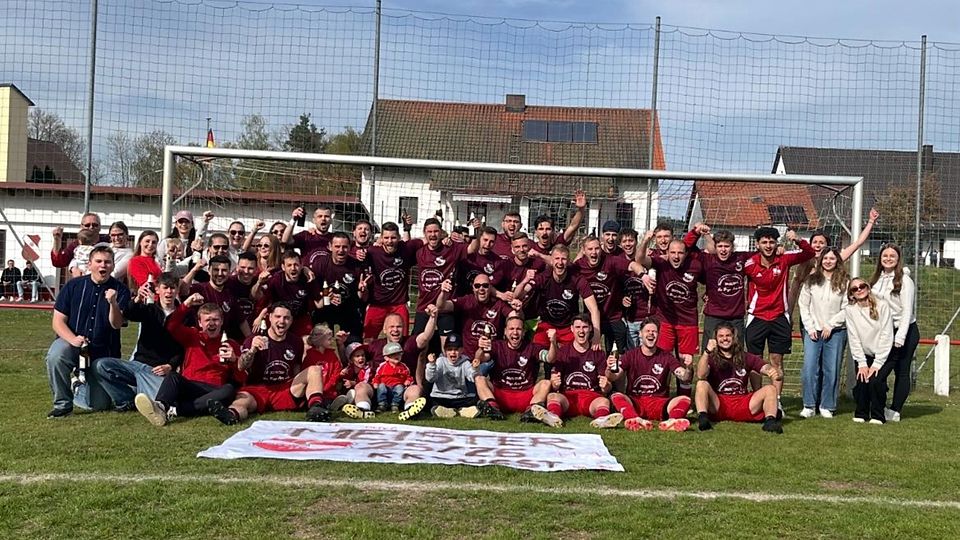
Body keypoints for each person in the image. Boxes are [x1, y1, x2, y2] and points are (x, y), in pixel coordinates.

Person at [209, 302, 331, 424]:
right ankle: (231, 415)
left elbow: (296, 369)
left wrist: (303, 391)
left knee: (315, 369)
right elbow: (241, 367)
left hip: (284, 390)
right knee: (242, 401)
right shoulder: (254, 339)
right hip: (258, 389)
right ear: (270, 317)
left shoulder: (296, 341)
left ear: (291, 320)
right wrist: (253, 350)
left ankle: (316, 408)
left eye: (286, 318)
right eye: (278, 317)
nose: (282, 321)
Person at [45, 246, 131, 418]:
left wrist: (113, 303)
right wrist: (73, 339)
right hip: (73, 343)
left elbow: (116, 324)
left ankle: (78, 385)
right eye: (98, 261)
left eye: (107, 262)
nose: (103, 266)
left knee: (99, 405)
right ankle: (62, 404)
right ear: (90, 264)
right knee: (56, 355)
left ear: (113, 266)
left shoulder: (121, 291)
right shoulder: (73, 286)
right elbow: (57, 321)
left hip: (102, 353)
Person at [134, 296, 242, 426]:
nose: (211, 324)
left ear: (222, 321)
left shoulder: (231, 345)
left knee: (229, 390)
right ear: (200, 322)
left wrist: (235, 360)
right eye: (207, 320)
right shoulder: (193, 335)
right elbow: (171, 326)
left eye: (215, 320)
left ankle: (176, 411)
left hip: (213, 390)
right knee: (173, 376)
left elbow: (241, 378)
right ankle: (160, 406)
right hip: (190, 386)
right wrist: (186, 304)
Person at [742, 227, 815, 404]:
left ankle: (777, 400)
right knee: (755, 361)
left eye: (772, 242)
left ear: (777, 243)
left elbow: (810, 252)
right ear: (757, 244)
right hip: (756, 317)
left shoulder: (784, 259)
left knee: (777, 361)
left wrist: (797, 239)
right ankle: (757, 398)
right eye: (764, 242)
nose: (768, 246)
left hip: (779, 317)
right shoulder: (750, 263)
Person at [95, 273, 184, 410]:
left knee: (163, 402)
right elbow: (130, 314)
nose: (169, 292)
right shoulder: (149, 309)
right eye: (165, 288)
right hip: (137, 365)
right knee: (101, 365)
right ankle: (126, 400)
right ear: (157, 290)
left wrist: (170, 366)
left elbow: (183, 347)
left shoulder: (183, 315)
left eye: (172, 288)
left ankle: (141, 395)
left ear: (177, 290)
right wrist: (137, 298)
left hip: (157, 371)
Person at [637, 231, 704, 392]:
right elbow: (639, 260)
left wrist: (709, 293)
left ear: (686, 254)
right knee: (662, 358)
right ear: (666, 253)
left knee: (685, 361)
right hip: (665, 320)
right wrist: (646, 240)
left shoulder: (695, 265)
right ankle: (661, 393)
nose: (676, 256)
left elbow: (712, 277)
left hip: (688, 322)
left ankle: (685, 396)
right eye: (672, 252)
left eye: (680, 253)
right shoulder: (660, 263)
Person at [342, 310, 435, 420]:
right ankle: (363, 409)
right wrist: (340, 345)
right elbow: (354, 357)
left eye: (399, 326)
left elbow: (425, 337)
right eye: (392, 326)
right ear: (384, 329)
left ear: (404, 328)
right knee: (361, 386)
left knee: (415, 389)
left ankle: (410, 411)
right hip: (378, 390)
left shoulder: (409, 342)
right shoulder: (375, 345)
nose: (395, 330)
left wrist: (433, 317)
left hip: (402, 391)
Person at [694, 322, 784, 434]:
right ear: (715, 339)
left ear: (734, 337)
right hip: (719, 403)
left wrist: (774, 372)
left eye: (728, 335)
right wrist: (707, 352)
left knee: (770, 389)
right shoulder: (711, 357)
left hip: (743, 402)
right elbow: (701, 375)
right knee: (701, 384)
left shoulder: (745, 356)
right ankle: (703, 418)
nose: (725, 339)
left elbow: (765, 367)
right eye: (721, 336)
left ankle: (770, 422)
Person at [607, 317, 693, 432]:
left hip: (660, 403)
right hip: (636, 401)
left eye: (654, 331)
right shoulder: (630, 355)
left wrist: (688, 368)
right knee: (616, 396)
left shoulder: (666, 356)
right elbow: (613, 376)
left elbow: (684, 377)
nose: (651, 334)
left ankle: (672, 421)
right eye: (647, 331)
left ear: (658, 335)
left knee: (685, 399)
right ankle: (634, 419)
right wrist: (609, 368)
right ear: (640, 334)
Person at [473, 316, 560, 427]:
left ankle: (532, 411)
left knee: (546, 383)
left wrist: (553, 342)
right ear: (505, 331)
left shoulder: (532, 347)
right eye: (511, 329)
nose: (515, 332)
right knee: (479, 378)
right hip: (501, 396)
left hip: (525, 396)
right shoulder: (497, 346)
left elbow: (550, 358)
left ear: (523, 332)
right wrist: (480, 348)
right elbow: (480, 358)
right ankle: (492, 408)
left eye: (518, 329)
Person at [515, 244, 601, 348]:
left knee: (573, 355)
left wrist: (596, 335)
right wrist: (525, 280)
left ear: (568, 261)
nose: (560, 263)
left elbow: (594, 309)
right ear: (551, 260)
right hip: (547, 325)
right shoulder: (543, 277)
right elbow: (518, 295)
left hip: (569, 327)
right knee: (536, 352)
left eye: (563, 259)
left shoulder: (577, 279)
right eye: (557, 259)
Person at [544, 315, 622, 429]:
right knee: (552, 396)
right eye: (578, 327)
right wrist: (555, 383)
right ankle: (553, 417)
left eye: (585, 327)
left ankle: (601, 420)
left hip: (590, 397)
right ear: (572, 329)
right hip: (568, 396)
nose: (581, 331)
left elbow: (606, 386)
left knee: (604, 401)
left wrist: (606, 386)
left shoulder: (598, 353)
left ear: (590, 329)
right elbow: (554, 381)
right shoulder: (563, 351)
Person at [797, 247, 849, 418]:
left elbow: (847, 307)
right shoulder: (811, 280)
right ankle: (809, 405)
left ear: (837, 261)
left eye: (832, 258)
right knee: (810, 368)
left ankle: (827, 405)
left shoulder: (845, 281)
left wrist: (831, 325)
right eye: (825, 258)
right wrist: (811, 327)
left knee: (831, 368)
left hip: (835, 331)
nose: (828, 261)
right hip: (813, 331)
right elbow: (803, 305)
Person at [869, 244, 917, 423]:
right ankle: (879, 404)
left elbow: (907, 311)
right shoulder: (875, 279)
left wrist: (901, 336)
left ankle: (896, 410)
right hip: (884, 330)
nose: (888, 258)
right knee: (880, 370)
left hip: (904, 330)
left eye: (892, 256)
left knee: (901, 371)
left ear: (898, 259)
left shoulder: (905, 280)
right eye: (885, 255)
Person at [574, 235, 647, 352]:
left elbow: (632, 265)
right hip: (591, 317)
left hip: (613, 317)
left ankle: (615, 365)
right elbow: (561, 266)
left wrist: (644, 276)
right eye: (590, 249)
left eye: (597, 248)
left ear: (601, 249)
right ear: (584, 251)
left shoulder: (610, 261)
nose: (594, 252)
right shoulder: (578, 265)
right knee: (589, 352)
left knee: (617, 352)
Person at [411, 217, 477, 342]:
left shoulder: (451, 249)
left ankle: (444, 362)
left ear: (441, 232)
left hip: (445, 307)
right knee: (419, 346)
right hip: (424, 306)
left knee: (448, 346)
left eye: (436, 231)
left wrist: (476, 231)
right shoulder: (419, 251)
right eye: (429, 232)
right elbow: (401, 246)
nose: (433, 235)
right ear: (424, 233)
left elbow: (472, 248)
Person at [844, 277, 893, 424]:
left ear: (868, 288)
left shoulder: (882, 306)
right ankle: (861, 413)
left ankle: (878, 415)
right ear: (851, 294)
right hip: (864, 354)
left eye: (862, 286)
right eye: (855, 288)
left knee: (875, 381)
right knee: (862, 380)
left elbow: (887, 334)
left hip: (884, 353)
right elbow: (854, 337)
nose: (859, 289)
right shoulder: (850, 310)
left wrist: (877, 363)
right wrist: (862, 363)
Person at [436, 274, 519, 358]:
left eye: (485, 286)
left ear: (491, 288)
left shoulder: (499, 304)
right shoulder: (467, 301)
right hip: (466, 358)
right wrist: (443, 293)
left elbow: (514, 317)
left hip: (489, 357)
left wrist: (517, 309)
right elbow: (441, 306)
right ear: (473, 288)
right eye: (477, 286)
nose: (481, 289)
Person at [695, 229, 752, 349]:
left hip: (736, 316)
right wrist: (698, 232)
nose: (723, 249)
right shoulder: (708, 259)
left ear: (732, 247)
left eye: (727, 246)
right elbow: (686, 248)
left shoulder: (741, 258)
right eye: (720, 246)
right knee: (709, 352)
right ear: (715, 247)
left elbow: (763, 254)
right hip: (714, 315)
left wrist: (778, 249)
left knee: (737, 353)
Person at [363, 221, 418, 339]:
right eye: (386, 237)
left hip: (399, 304)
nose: (389, 241)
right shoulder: (372, 252)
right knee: (368, 338)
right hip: (377, 303)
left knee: (401, 339)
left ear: (398, 238)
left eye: (393, 238)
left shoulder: (405, 249)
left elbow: (426, 241)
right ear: (381, 238)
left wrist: (446, 240)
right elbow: (354, 252)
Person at [311, 232, 366, 338]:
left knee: (353, 347)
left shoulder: (356, 266)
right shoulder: (320, 264)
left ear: (350, 248)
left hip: (348, 310)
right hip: (324, 310)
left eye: (345, 247)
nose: (341, 250)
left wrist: (362, 290)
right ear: (330, 247)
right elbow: (315, 295)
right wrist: (325, 296)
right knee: (319, 344)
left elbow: (362, 298)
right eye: (337, 246)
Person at [183, 255, 249, 339]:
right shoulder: (199, 289)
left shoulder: (231, 291)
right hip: (200, 341)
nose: (220, 274)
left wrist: (250, 340)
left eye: (224, 270)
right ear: (209, 271)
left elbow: (241, 320)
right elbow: (182, 290)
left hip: (222, 341)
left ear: (229, 272)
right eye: (216, 270)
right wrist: (194, 270)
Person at [253, 250, 313, 337]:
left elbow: (319, 304)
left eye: (296, 265)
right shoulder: (276, 280)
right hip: (280, 317)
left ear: (301, 266)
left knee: (307, 341)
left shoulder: (308, 277)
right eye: (289, 265)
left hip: (299, 317)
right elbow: (263, 299)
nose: (293, 268)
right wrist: (260, 316)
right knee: (263, 334)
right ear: (283, 267)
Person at [425, 334, 481, 418]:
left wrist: (474, 368)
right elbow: (430, 378)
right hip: (440, 396)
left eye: (456, 349)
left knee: (475, 400)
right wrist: (431, 365)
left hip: (458, 397)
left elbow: (471, 377)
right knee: (427, 401)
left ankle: (457, 411)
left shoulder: (465, 362)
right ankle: (456, 410)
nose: (453, 352)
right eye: (449, 349)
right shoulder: (440, 361)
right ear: (445, 351)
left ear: (461, 350)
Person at [529, 189, 587, 260]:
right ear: (536, 232)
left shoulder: (558, 244)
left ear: (553, 231)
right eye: (541, 229)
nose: (544, 232)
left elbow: (573, 226)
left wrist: (581, 209)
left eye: (548, 229)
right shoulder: (530, 248)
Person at [301, 324, 345, 412]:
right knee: (318, 401)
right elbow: (306, 373)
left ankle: (333, 405)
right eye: (329, 339)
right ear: (320, 340)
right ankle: (330, 406)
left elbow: (337, 371)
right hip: (314, 391)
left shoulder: (332, 354)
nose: (331, 341)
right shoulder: (310, 356)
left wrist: (328, 385)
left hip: (329, 392)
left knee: (329, 399)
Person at [373, 341, 416, 412]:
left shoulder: (403, 367)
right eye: (393, 354)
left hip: (397, 386)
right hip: (386, 386)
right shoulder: (383, 366)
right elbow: (377, 376)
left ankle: (395, 404)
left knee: (399, 387)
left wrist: (408, 380)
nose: (397, 356)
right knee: (381, 387)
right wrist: (375, 382)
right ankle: (382, 404)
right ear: (386, 358)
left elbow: (408, 376)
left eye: (399, 354)